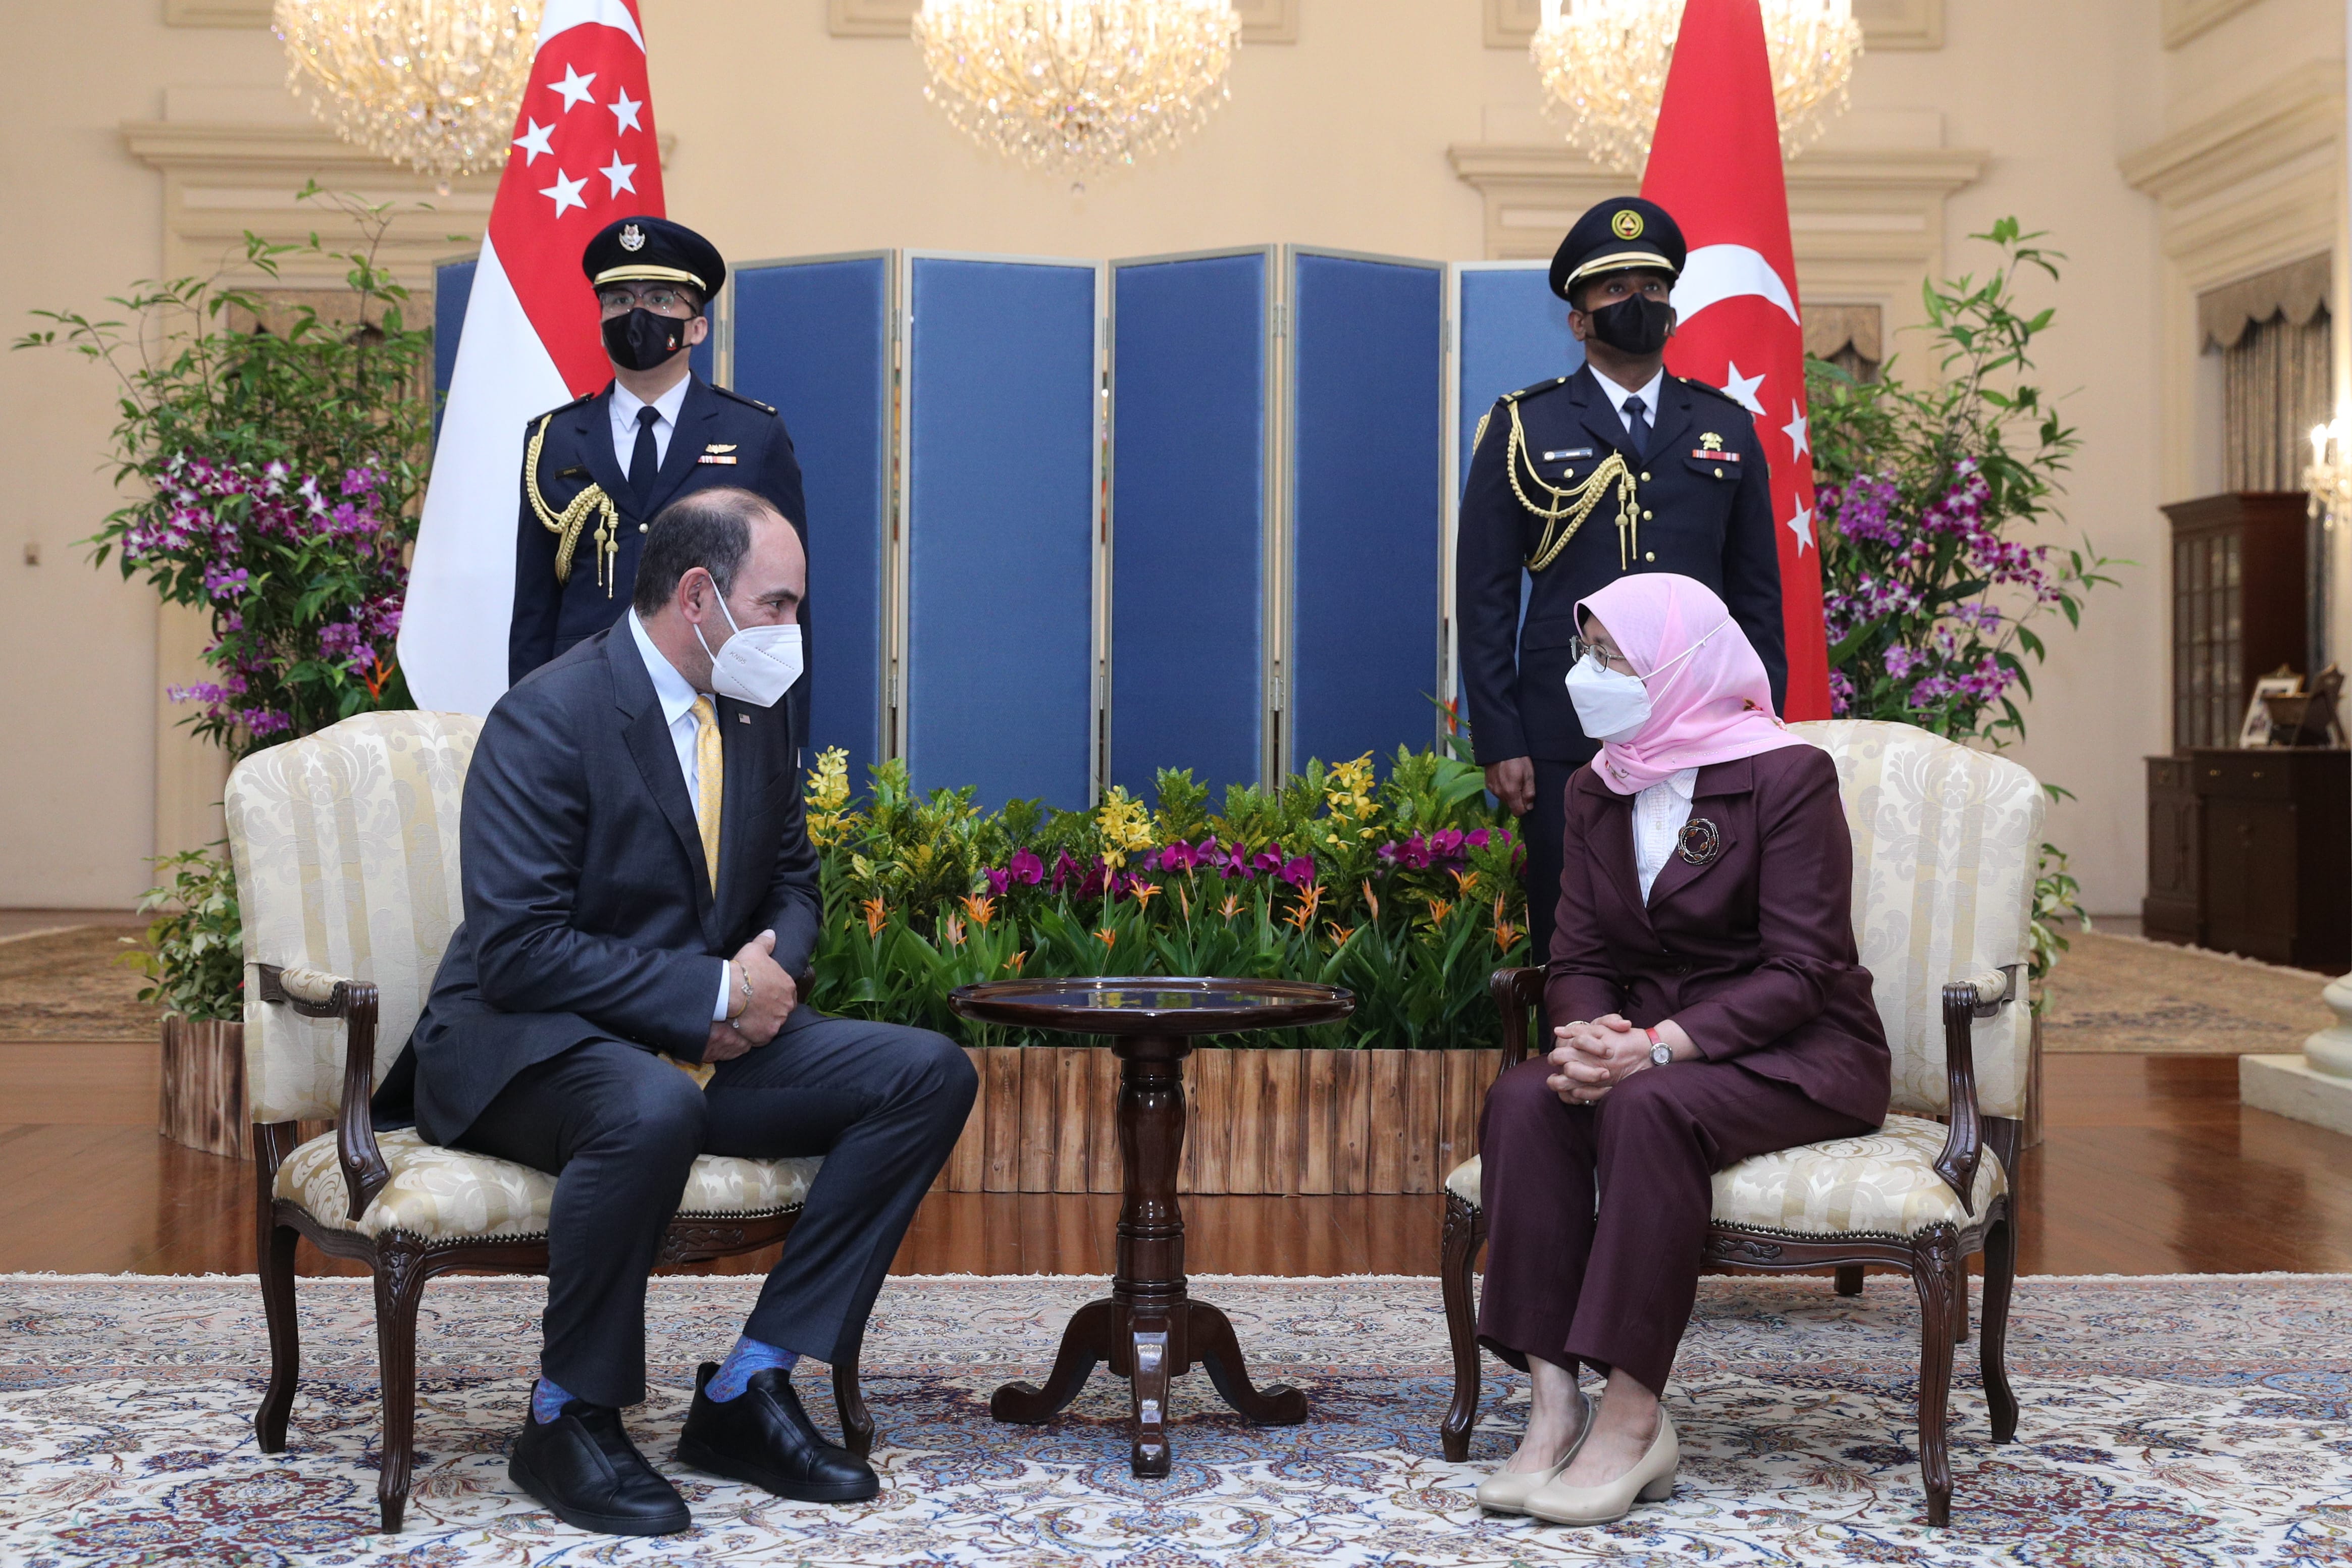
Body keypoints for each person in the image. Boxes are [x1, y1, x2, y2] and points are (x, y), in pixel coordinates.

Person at [384, 485, 976, 1536]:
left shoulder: (753, 708)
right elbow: (517, 947)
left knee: (925, 1070)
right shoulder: (552, 715)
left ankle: (747, 1385)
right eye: (779, 603)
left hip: (701, 1039)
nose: (792, 631)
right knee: (650, 1106)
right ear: (698, 594)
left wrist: (762, 978)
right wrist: (709, 992)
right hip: (527, 1042)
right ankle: (567, 1411)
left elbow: (793, 881)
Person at [1469, 572, 1889, 1527]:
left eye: (1610, 657)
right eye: (1586, 654)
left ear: (1679, 665)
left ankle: (1631, 1413)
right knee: (1525, 1098)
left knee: (1647, 1104)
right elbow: (1574, 953)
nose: (1588, 676)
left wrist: (1653, 1048)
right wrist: (1586, 1035)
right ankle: (1550, 1405)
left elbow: (1804, 967)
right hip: (1644, 1046)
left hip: (1796, 1050)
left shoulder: (1784, 777)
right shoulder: (1593, 786)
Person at [1454, 196, 1787, 960]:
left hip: (1705, 728)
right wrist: (1501, 737)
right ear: (1577, 319)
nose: (1636, 303)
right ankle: (1570, 1073)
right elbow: (1485, 597)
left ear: (1671, 309)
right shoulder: (1522, 426)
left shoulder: (1726, 426)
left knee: (1701, 929)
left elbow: (1756, 596)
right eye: (1613, 290)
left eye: (1652, 287)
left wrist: (1761, 717)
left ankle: (1677, 1072)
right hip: (1564, 729)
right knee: (1572, 930)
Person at [510, 215, 811, 742]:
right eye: (620, 300)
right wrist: (526, 726)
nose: (637, 315)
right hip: (582, 708)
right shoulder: (554, 438)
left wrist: (787, 742)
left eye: (661, 300)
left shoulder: (753, 435)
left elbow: (788, 603)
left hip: (715, 707)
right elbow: (535, 607)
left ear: (698, 326)